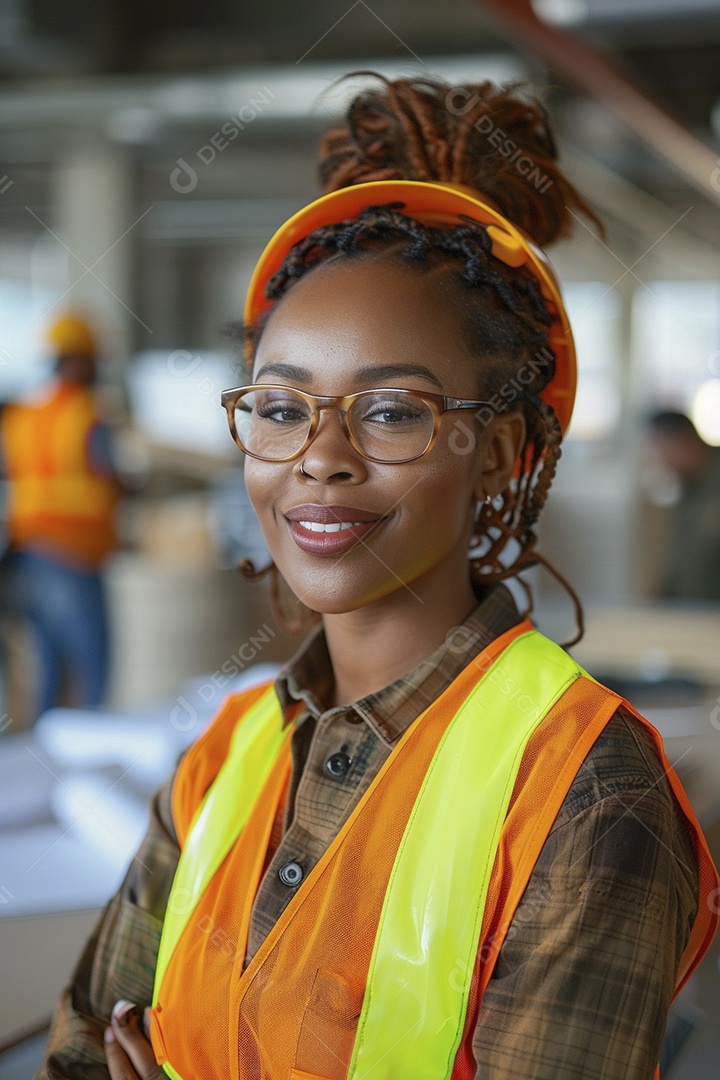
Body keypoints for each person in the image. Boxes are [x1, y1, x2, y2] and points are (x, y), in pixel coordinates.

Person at [37, 77, 718, 1080]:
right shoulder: (224, 762)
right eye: (279, 407)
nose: (318, 455)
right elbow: (81, 1054)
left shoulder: (587, 794)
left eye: (392, 411)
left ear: (504, 452)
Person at [1, 313, 120, 722]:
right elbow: (108, 473)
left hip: (28, 552)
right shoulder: (87, 412)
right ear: (79, 360)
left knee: (49, 664)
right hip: (73, 553)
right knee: (93, 666)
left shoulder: (21, 415)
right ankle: (89, 760)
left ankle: (45, 765)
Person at [647, 409, 720, 600]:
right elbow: (682, 558)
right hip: (688, 615)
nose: (661, 461)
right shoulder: (687, 487)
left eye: (663, 450)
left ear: (686, 442)